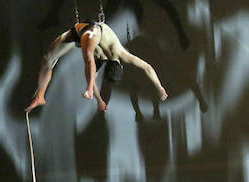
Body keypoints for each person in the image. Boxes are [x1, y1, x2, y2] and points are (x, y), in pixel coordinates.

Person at [27, 21, 168, 113]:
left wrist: (99, 100)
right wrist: (159, 87)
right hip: (93, 31)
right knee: (84, 57)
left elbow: (148, 68)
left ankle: (40, 96)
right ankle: (40, 94)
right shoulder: (121, 53)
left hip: (81, 34)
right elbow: (147, 68)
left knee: (48, 59)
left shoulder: (107, 59)